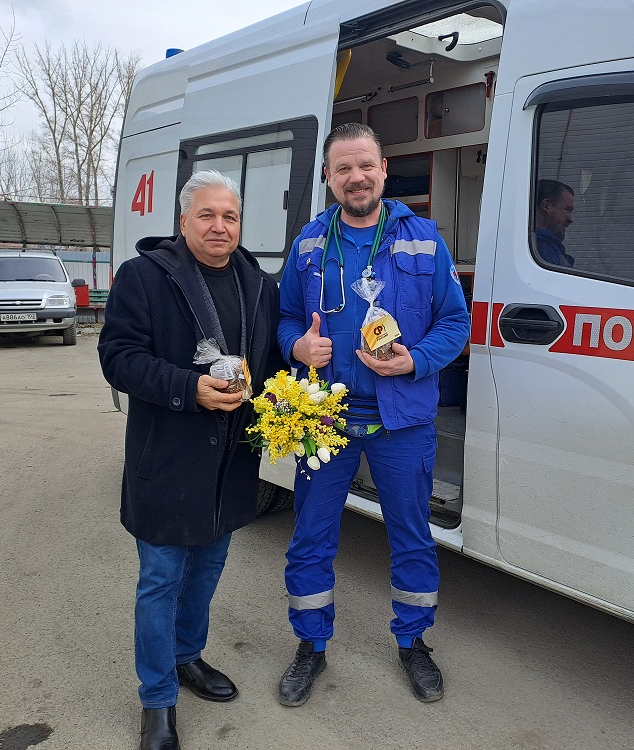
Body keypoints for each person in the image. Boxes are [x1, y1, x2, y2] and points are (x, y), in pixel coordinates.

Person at [275, 123, 471, 707]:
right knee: (311, 537)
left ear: (384, 170)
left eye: (365, 166)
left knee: (411, 536)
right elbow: (286, 319)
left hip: (401, 419)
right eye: (343, 168)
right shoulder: (309, 245)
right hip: (324, 418)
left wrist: (417, 359)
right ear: (328, 177)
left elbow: (455, 323)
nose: (356, 177)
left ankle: (413, 643)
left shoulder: (424, 240)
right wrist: (298, 346)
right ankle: (311, 645)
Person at [98, 170, 283, 750]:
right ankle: (157, 700)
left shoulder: (259, 285)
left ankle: (186, 656)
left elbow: (269, 362)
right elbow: (118, 357)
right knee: (160, 580)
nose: (219, 226)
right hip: (168, 460)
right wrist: (189, 387)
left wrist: (297, 362)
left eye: (230, 216)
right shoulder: (144, 277)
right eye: (207, 215)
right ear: (183, 221)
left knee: (206, 571)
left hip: (230, 466)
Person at [534, 179, 576, 267]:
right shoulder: (541, 250)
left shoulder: (532, 247)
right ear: (547, 205)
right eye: (567, 210)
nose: (570, 219)